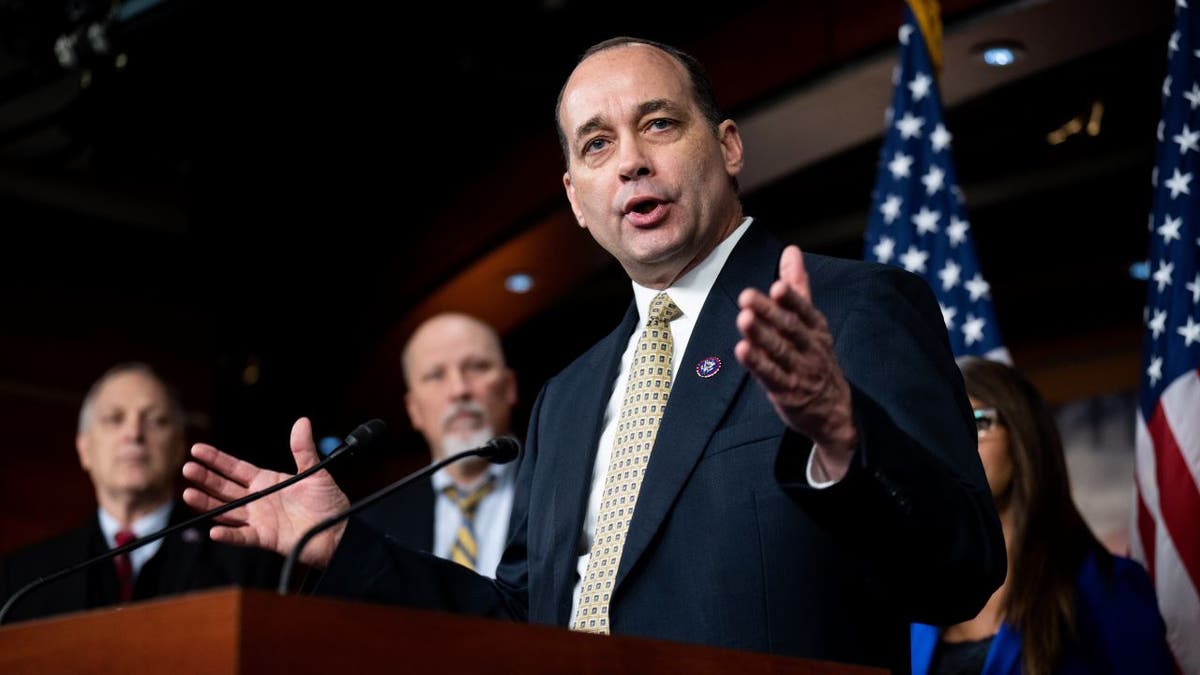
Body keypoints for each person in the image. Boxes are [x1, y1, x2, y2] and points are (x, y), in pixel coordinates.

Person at [182, 37, 1005, 671]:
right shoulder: (567, 398)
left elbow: (960, 570)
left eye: (659, 123)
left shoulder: (850, 309)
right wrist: (343, 546)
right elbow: (526, 620)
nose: (633, 161)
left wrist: (846, 439)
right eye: (597, 145)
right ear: (577, 199)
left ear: (727, 146)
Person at [911, 358, 1171, 675]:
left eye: (976, 422)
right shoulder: (917, 600)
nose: (957, 444)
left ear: (1023, 434)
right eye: (943, 428)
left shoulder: (1108, 586)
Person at [0, 363, 282, 623]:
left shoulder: (243, 564)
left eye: (156, 420)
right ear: (84, 449)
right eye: (114, 418)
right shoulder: (24, 581)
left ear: (178, 446)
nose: (134, 433)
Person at [361, 313, 519, 577]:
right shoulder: (375, 525)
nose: (459, 389)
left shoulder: (565, 490)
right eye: (435, 375)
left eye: (478, 366)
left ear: (509, 387)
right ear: (414, 410)